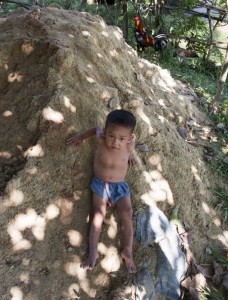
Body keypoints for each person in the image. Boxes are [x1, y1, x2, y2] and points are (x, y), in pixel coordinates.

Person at [66, 109, 137, 273]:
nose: (115, 142)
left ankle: (127, 251)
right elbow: (96, 128)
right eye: (111, 136)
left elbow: (130, 149)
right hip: (100, 185)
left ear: (129, 139)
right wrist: (80, 137)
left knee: (127, 213)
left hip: (119, 186)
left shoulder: (129, 146)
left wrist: (130, 156)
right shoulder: (101, 139)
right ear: (106, 133)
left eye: (122, 138)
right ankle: (93, 252)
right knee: (98, 215)